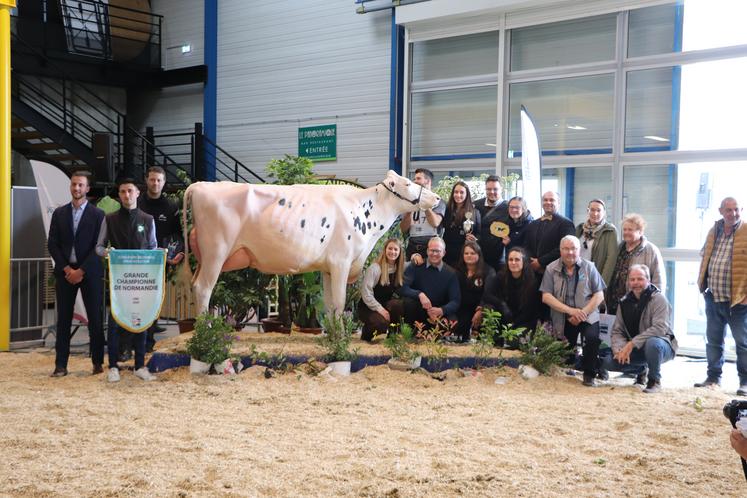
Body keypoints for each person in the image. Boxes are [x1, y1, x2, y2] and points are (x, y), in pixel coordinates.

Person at [96, 178, 158, 382]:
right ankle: (113, 366)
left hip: (140, 281)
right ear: (119, 195)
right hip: (119, 282)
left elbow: (153, 247)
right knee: (114, 323)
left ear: (138, 193)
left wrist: (161, 255)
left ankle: (140, 365)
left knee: (141, 321)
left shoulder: (148, 219)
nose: (126, 195)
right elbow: (98, 246)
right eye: (122, 191)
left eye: (130, 191)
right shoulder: (110, 219)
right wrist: (107, 252)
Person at [47, 171, 106, 377]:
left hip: (89, 273)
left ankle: (97, 363)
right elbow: (52, 244)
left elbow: (99, 246)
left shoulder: (98, 215)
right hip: (65, 273)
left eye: (81, 185)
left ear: (87, 189)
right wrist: (67, 269)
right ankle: (61, 365)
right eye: (74, 184)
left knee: (95, 319)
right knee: (63, 320)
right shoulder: (59, 213)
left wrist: (81, 270)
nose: (77, 188)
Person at [695, 197, 747, 394]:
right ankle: (713, 377)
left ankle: (745, 382)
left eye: (736, 209)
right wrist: (703, 285)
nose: (732, 213)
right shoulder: (713, 231)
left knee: (743, 343)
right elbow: (705, 256)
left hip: (738, 301)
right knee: (714, 341)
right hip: (713, 297)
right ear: (720, 211)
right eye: (728, 210)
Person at [540, 235, 606, 387]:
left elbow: (599, 294)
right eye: (566, 249)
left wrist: (582, 312)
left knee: (591, 338)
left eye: (574, 249)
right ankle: (577, 365)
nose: (570, 252)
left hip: (587, 314)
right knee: (566, 356)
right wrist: (571, 311)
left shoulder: (589, 267)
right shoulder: (551, 268)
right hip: (564, 317)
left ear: (579, 250)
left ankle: (589, 374)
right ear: (560, 250)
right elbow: (546, 296)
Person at [602, 264, 677, 394]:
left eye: (640, 279)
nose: (636, 283)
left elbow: (660, 328)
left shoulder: (659, 299)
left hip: (661, 345)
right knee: (608, 361)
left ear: (648, 280)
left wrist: (632, 343)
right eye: (632, 279)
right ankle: (641, 369)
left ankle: (654, 380)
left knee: (652, 343)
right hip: (638, 348)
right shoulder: (624, 302)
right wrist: (619, 349)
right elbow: (617, 330)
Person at [138, 166, 185, 350]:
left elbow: (177, 234)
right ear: (146, 181)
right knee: (136, 301)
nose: (155, 183)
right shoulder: (138, 202)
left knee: (154, 301)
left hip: (160, 262)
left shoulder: (171, 206)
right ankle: (133, 341)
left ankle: (148, 343)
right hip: (138, 262)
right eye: (152, 179)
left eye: (159, 180)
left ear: (164, 183)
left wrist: (175, 253)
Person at [606, 213, 666, 315]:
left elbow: (658, 281)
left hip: (638, 306)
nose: (626, 232)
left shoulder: (651, 250)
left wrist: (653, 305)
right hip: (615, 305)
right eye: (624, 229)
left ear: (640, 232)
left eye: (630, 230)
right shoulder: (620, 248)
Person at [400, 237, 460, 327]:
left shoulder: (451, 273)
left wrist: (442, 310)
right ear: (427, 251)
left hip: (438, 312)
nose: (434, 254)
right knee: (408, 303)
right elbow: (403, 288)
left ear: (444, 253)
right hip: (419, 309)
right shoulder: (416, 266)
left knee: (453, 322)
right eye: (432, 250)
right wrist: (419, 294)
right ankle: (411, 332)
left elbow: (455, 301)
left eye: (438, 251)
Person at [482, 246, 540, 334]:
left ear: (524, 262)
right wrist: (502, 304)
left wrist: (513, 324)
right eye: (510, 260)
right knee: (489, 308)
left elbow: (530, 311)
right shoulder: (501, 276)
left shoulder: (532, 282)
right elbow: (487, 295)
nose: (513, 262)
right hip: (504, 316)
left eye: (517, 260)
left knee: (514, 343)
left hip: (523, 320)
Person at [358, 238, 405, 342]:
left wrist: (416, 256)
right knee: (381, 324)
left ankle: (393, 337)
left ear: (400, 252)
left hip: (385, 304)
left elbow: (412, 263)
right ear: (385, 250)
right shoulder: (375, 268)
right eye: (390, 248)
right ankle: (366, 334)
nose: (393, 252)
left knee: (399, 305)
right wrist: (380, 309)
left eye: (396, 249)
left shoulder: (400, 268)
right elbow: (366, 293)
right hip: (368, 307)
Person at [523, 191, 575, 275]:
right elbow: (526, 246)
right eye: (545, 200)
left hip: (555, 272)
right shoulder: (533, 224)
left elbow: (564, 248)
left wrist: (540, 262)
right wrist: (531, 261)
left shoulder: (566, 223)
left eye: (552, 200)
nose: (548, 202)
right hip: (533, 272)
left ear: (558, 203)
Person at [400, 168, 446, 261]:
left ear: (428, 181)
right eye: (414, 179)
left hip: (431, 246)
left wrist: (425, 202)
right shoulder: (410, 201)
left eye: (418, 179)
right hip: (412, 245)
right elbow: (403, 229)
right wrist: (409, 211)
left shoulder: (438, 201)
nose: (415, 181)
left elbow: (435, 223)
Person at [454, 241, 494, 343]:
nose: (469, 256)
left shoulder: (489, 271)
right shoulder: (457, 269)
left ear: (479, 255)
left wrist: (481, 310)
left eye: (472, 253)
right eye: (466, 253)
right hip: (462, 309)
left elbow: (489, 294)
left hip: (480, 309)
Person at [575, 199, 618, 287]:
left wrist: (601, 284)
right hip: (576, 276)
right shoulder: (580, 228)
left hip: (594, 279)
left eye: (599, 210)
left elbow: (611, 260)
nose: (595, 213)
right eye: (592, 210)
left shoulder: (610, 231)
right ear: (588, 211)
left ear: (604, 212)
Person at [441, 181, 481, 267]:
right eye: (456, 192)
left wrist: (475, 239)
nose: (458, 195)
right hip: (447, 251)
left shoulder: (474, 212)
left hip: (465, 252)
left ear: (467, 194)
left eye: (462, 192)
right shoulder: (446, 210)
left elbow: (479, 233)